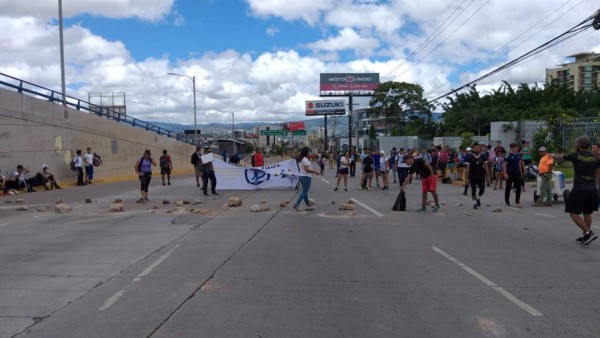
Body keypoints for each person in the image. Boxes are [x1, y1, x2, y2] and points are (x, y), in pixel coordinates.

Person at [552, 136, 600, 245]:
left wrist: (552, 155)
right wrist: (595, 183)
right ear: (588, 145)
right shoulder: (595, 157)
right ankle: (585, 236)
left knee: (573, 212)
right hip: (592, 188)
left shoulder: (575, 155)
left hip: (580, 188)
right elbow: (598, 172)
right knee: (587, 212)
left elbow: (561, 157)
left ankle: (588, 233)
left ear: (579, 145)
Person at [464, 143, 490, 209]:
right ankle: (475, 203)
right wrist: (466, 178)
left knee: (482, 190)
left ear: (480, 149)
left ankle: (478, 198)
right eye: (475, 148)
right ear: (473, 149)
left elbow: (486, 167)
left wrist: (488, 177)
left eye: (478, 148)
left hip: (481, 175)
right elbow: (467, 169)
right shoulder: (469, 157)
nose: (477, 149)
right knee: (473, 190)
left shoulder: (483, 157)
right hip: (472, 176)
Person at [293, 146, 320, 211]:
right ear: (306, 152)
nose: (310, 152)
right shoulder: (305, 160)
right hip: (306, 177)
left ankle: (308, 204)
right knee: (304, 192)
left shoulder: (301, 159)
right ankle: (296, 204)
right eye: (309, 151)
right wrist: (315, 172)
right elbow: (306, 170)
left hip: (301, 176)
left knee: (305, 192)